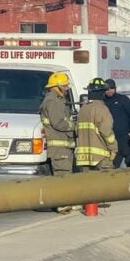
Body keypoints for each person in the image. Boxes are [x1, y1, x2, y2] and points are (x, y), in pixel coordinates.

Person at [39, 71, 77, 213]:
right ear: (57, 86)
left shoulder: (56, 100)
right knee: (62, 176)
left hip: (62, 146)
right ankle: (62, 204)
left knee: (66, 175)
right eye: (65, 86)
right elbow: (59, 123)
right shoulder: (54, 101)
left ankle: (67, 202)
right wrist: (74, 125)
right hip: (59, 147)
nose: (67, 89)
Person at [75, 77, 118, 171]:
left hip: (84, 158)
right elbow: (107, 132)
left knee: (87, 184)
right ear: (102, 93)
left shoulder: (83, 109)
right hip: (100, 158)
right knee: (106, 183)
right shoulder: (102, 109)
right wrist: (113, 148)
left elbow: (77, 131)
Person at [102, 78, 130, 168]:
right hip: (110, 138)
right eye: (107, 89)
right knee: (113, 164)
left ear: (115, 88)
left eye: (112, 88)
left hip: (125, 137)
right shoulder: (102, 102)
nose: (110, 91)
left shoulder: (122, 99)